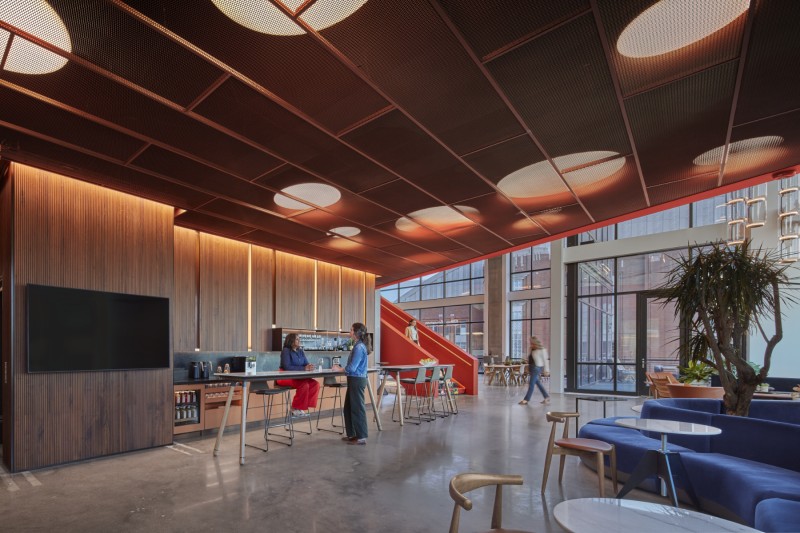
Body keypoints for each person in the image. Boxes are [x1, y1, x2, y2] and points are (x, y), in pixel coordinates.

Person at [335, 322, 370, 445]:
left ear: (356, 333)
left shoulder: (359, 347)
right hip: (354, 379)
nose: (349, 332)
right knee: (349, 408)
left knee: (357, 409)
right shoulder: (358, 345)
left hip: (356, 380)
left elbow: (352, 367)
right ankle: (353, 435)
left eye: (351, 330)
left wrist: (339, 369)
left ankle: (361, 437)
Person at [276, 333, 320, 417]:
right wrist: (304, 368)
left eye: (299, 339)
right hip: (284, 376)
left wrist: (309, 366)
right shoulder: (286, 351)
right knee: (304, 385)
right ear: (291, 340)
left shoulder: (300, 351)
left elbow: (306, 363)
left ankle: (301, 407)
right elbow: (287, 367)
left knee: (315, 384)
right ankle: (294, 408)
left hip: (298, 377)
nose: (299, 340)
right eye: (297, 339)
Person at [519, 336, 550, 405]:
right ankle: (546, 396)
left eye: (532, 342)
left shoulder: (542, 350)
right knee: (538, 383)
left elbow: (545, 360)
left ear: (535, 342)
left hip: (537, 368)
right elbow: (531, 359)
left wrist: (546, 370)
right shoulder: (531, 349)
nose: (531, 344)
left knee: (531, 384)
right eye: (530, 342)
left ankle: (526, 399)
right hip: (532, 368)